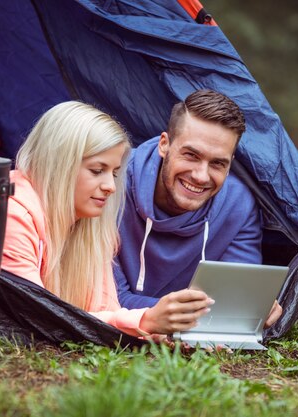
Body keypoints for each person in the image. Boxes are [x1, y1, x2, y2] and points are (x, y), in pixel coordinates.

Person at [1, 101, 214, 337]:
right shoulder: (12, 216)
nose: (111, 187)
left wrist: (152, 333)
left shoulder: (89, 227)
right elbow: (38, 316)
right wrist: (144, 321)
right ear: (59, 163)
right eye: (96, 170)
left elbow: (104, 312)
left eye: (114, 173)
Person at [114, 89, 281, 326]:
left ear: (230, 164)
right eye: (191, 155)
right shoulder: (112, 185)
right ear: (164, 144)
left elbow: (234, 305)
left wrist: (254, 308)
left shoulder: (238, 205)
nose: (201, 176)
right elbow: (104, 299)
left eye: (217, 163)